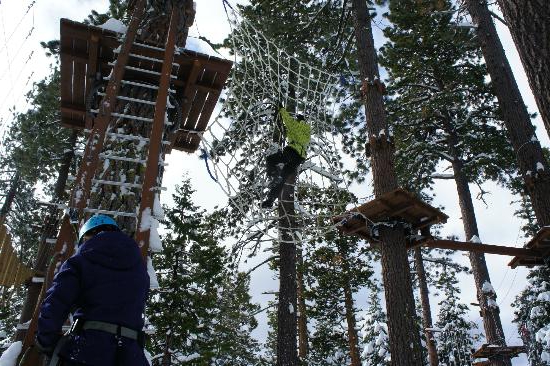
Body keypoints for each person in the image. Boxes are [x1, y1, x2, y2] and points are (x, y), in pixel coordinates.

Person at [36, 214, 149, 366]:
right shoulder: (139, 267)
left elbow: (57, 300)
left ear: (88, 235)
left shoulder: (80, 259)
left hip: (88, 351)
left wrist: (46, 340)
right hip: (132, 355)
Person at [262, 106, 311, 208]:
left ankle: (274, 175)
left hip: (292, 152)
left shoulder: (297, 127)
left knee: (271, 159)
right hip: (298, 158)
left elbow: (288, 121)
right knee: (283, 178)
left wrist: (281, 109)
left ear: (298, 121)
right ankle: (270, 199)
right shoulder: (307, 130)